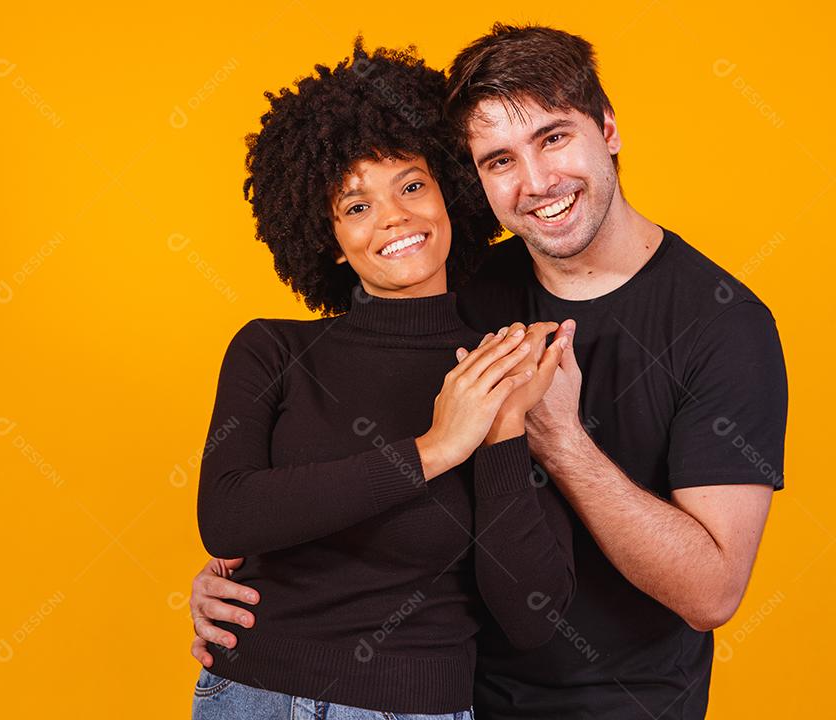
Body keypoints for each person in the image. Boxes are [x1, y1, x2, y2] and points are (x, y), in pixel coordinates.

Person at [190, 24, 788, 720]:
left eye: (554, 137)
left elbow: (712, 593)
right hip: (461, 696)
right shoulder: (464, 291)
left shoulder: (723, 325)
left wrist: (555, 438)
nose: (536, 183)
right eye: (499, 159)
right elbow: (306, 475)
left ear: (609, 129)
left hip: (615, 704)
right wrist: (244, 576)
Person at [191, 40, 575, 719]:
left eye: (410, 184)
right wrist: (434, 450)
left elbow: (532, 617)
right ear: (329, 236)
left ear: (450, 191)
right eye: (357, 205)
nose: (394, 217)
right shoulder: (272, 349)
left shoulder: (498, 367)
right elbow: (228, 516)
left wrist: (502, 432)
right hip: (247, 697)